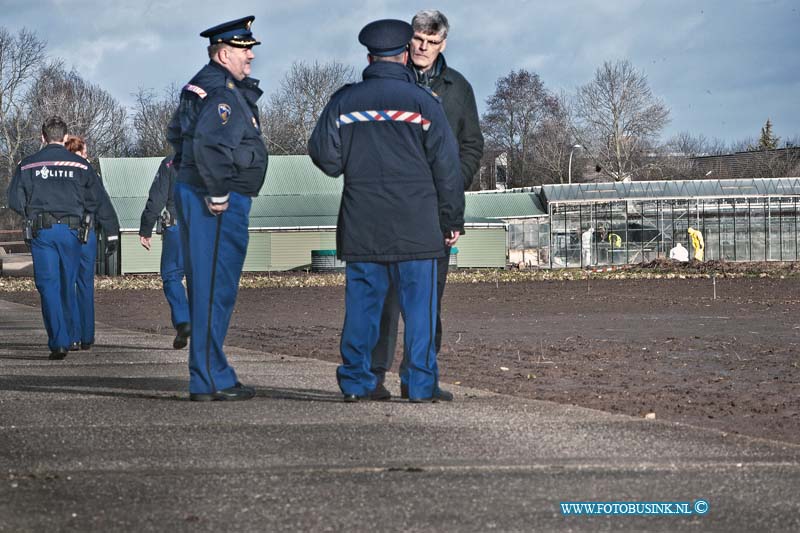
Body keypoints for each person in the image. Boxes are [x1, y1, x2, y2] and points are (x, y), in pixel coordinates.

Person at [308, 19, 465, 402]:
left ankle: (358, 383)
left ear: (368, 56)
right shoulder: (425, 103)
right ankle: (420, 386)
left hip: (363, 225)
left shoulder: (345, 102)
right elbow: (448, 167)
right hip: (418, 226)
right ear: (404, 54)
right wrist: (451, 219)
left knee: (362, 309)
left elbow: (325, 157)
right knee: (420, 314)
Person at [371, 9, 484, 401]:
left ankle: (419, 377)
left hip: (436, 208)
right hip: (389, 206)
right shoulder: (387, 80)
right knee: (384, 298)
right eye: (418, 39)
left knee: (428, 301)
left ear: (443, 44)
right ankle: (372, 377)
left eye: (431, 42)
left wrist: (454, 181)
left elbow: (473, 144)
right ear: (409, 38)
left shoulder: (459, 89)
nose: (422, 47)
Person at [166, 16, 267, 401]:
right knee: (214, 289)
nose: (251, 57)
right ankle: (208, 377)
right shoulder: (222, 93)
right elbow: (209, 144)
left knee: (212, 288)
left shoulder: (201, 86)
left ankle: (213, 373)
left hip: (199, 193)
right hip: (216, 203)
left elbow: (177, 134)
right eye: (245, 50)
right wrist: (219, 190)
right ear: (224, 54)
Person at [6, 116, 99, 359]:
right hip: (72, 231)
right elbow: (94, 199)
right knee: (69, 283)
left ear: (42, 137)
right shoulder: (81, 166)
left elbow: (14, 200)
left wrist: (31, 213)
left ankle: (58, 341)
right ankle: (72, 334)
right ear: (65, 138)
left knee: (48, 285)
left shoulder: (27, 165)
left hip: (42, 230)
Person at [63, 135, 119, 351]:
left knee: (68, 283)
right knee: (85, 285)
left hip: (68, 231)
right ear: (77, 151)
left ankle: (73, 334)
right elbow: (103, 203)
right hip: (88, 233)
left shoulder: (63, 175)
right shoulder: (88, 172)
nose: (87, 156)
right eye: (84, 152)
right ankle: (87, 335)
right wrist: (112, 232)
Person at [138, 155, 190, 349]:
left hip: (178, 227)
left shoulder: (170, 163)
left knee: (172, 276)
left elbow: (157, 198)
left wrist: (145, 229)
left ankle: (183, 321)